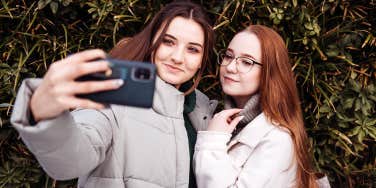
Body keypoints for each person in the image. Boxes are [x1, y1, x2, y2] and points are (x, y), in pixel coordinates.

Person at [10, 1, 216, 187]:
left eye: (193, 49)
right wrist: (45, 114)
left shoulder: (203, 111)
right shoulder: (114, 96)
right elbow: (70, 161)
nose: (178, 57)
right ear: (152, 42)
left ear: (201, 60)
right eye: (168, 42)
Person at [193, 25, 330, 188]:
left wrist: (213, 140)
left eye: (246, 62)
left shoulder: (277, 139)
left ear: (270, 73)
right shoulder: (225, 121)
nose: (229, 67)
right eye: (229, 56)